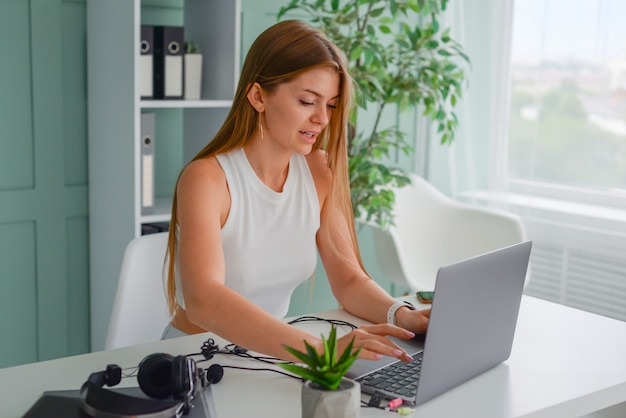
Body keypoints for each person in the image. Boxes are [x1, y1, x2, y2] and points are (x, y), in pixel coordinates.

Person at [161, 19, 430, 363]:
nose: (323, 118)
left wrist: (402, 315)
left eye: (331, 105)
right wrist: (321, 350)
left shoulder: (317, 171)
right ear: (258, 96)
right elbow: (204, 301)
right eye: (307, 101)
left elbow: (348, 279)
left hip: (272, 355)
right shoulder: (207, 179)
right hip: (194, 359)